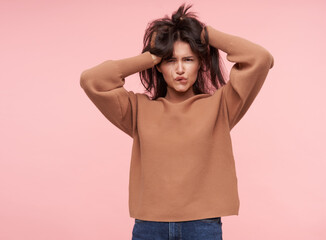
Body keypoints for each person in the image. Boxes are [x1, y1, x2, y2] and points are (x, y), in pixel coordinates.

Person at [80, 4, 274, 240]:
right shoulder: (139, 110)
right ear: (159, 66)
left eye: (189, 59)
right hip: (149, 226)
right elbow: (92, 80)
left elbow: (260, 59)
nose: (180, 69)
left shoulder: (221, 107)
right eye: (170, 61)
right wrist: (150, 56)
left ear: (201, 62)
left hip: (202, 225)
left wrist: (205, 35)